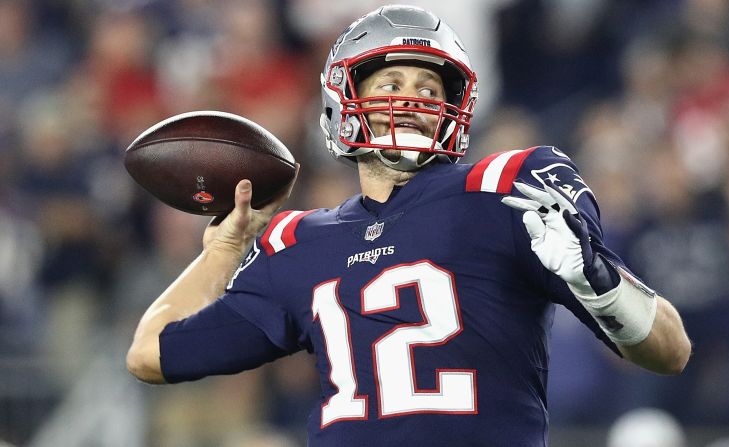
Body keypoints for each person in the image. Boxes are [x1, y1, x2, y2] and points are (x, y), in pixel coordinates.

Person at [126, 5, 691, 446]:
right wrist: (224, 249)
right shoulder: (295, 242)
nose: (413, 102)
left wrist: (599, 284)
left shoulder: (506, 189)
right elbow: (150, 355)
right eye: (390, 86)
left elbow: (670, 349)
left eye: (428, 89)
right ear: (346, 104)